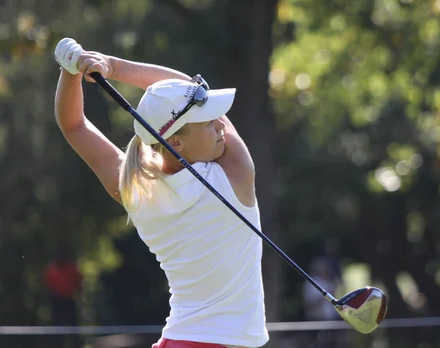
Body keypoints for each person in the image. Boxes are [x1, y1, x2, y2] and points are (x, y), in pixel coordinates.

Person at [53, 38, 269, 348]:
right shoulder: (234, 172)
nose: (221, 127)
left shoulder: (138, 190)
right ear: (176, 143)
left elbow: (73, 125)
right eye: (209, 122)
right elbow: (184, 84)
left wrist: (70, 70)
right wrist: (112, 66)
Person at [42, 247, 82, 348]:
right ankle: (57, 346)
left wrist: (77, 294)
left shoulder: (71, 268)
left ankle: (76, 345)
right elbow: (47, 284)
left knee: (73, 325)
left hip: (68, 299)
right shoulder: (51, 269)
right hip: (56, 300)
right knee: (56, 326)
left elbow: (78, 282)